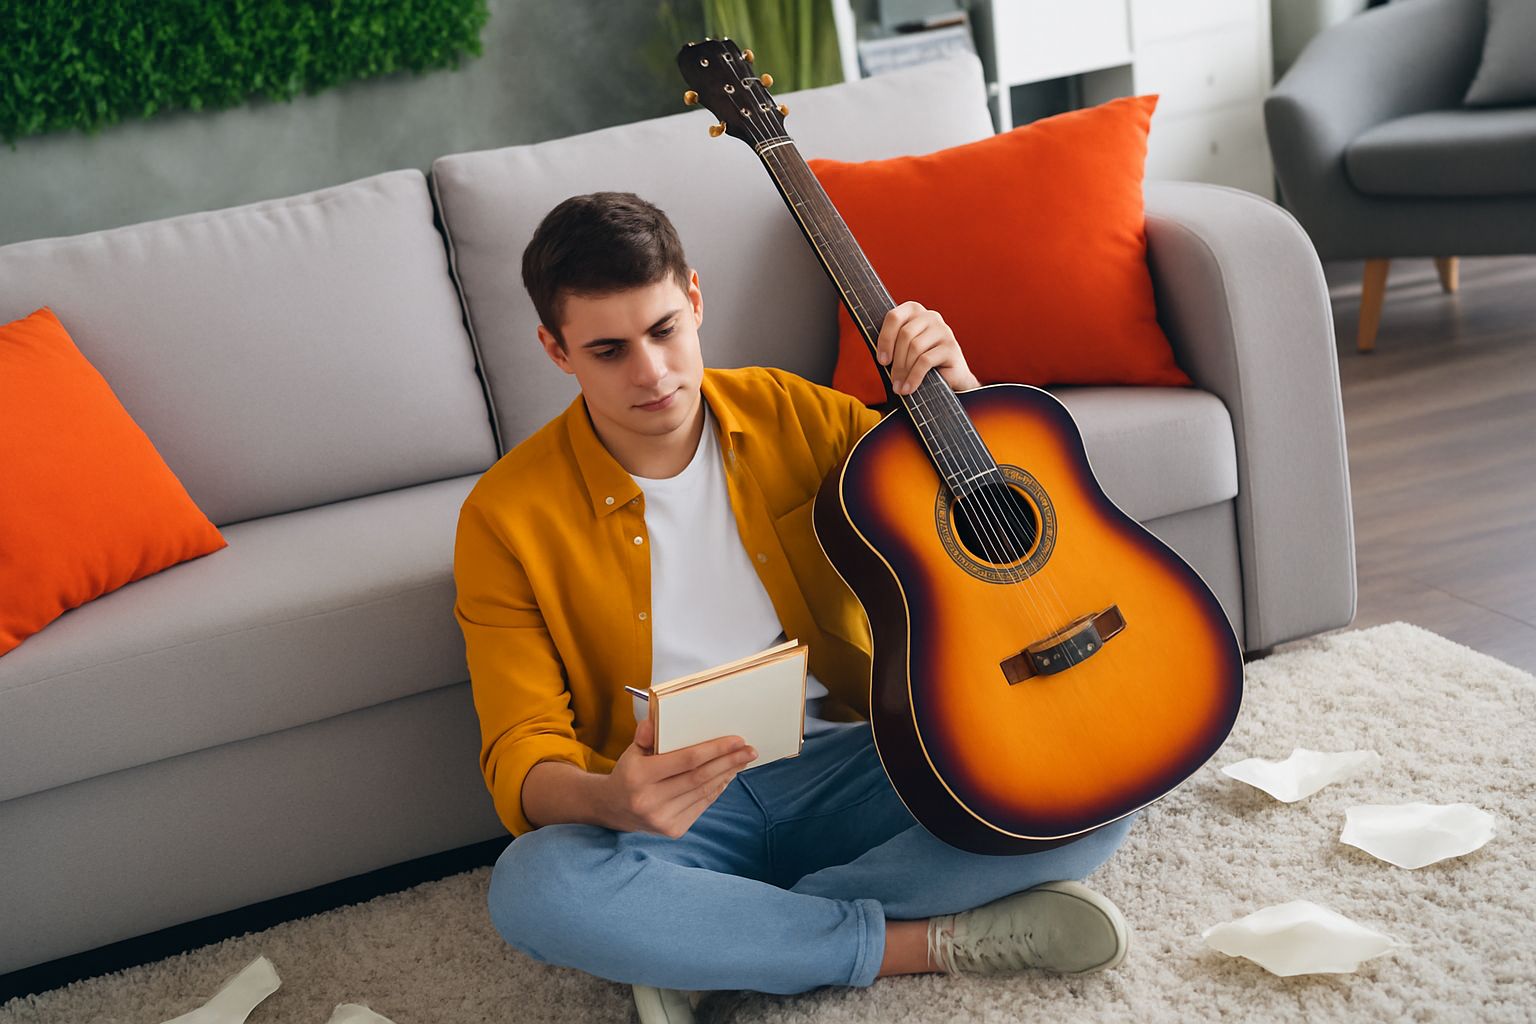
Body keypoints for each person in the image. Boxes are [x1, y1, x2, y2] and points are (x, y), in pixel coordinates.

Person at [452, 191, 1138, 1023]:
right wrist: (611, 802)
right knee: (533, 886)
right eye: (608, 350)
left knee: (1105, 773)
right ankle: (914, 943)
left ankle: (716, 940)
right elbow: (520, 749)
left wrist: (961, 395)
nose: (653, 373)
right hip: (674, 816)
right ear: (556, 351)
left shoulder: (794, 413)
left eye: (665, 330)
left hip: (856, 760)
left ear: (695, 299)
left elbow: (981, 532)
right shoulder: (503, 517)